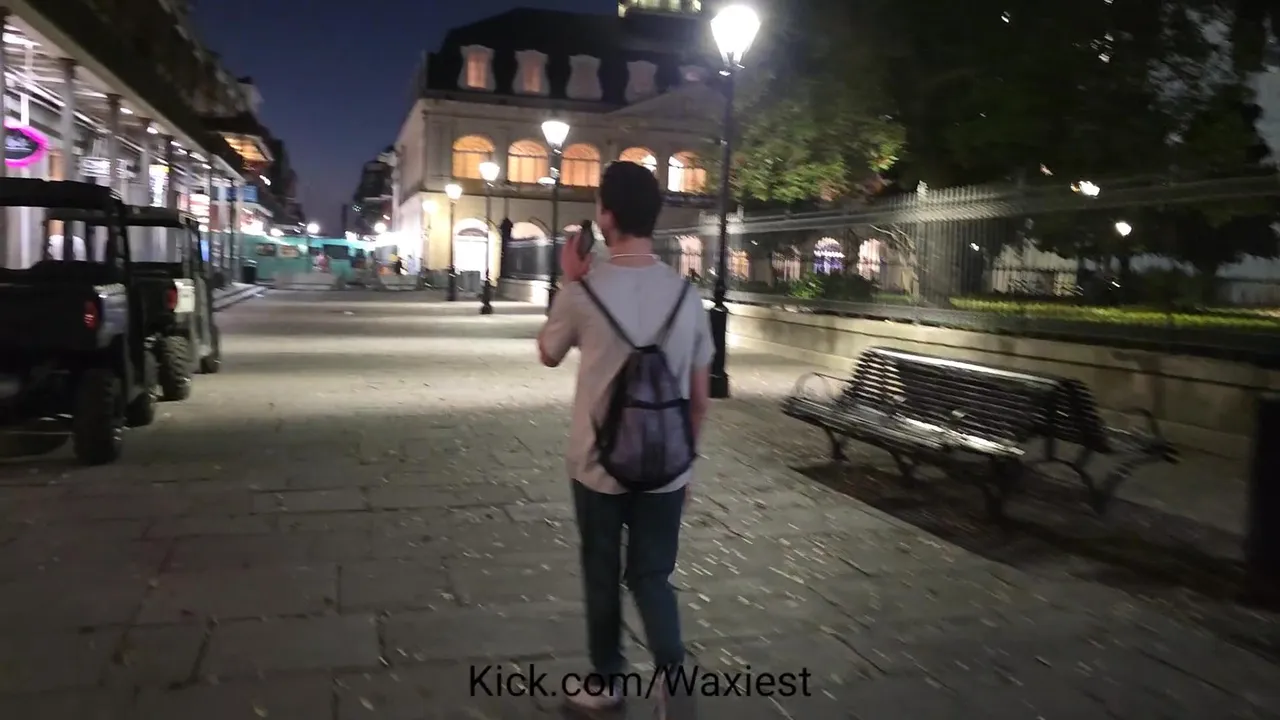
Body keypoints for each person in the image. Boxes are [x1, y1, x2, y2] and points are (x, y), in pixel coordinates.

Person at [537, 161, 713, 716]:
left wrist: (568, 280)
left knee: (601, 570)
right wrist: (686, 465)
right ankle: (673, 679)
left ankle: (607, 681)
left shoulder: (583, 292)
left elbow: (547, 352)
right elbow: (700, 397)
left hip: (597, 463)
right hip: (666, 464)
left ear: (606, 217)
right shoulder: (687, 297)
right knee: (652, 574)